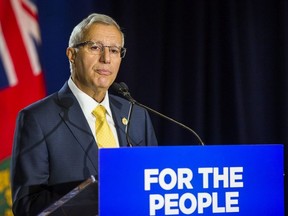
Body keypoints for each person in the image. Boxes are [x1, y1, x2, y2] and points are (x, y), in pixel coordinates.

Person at [10, 13, 158, 215]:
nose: (106, 59)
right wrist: (89, 194)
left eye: (114, 50)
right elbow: (26, 206)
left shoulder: (136, 114)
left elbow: (154, 186)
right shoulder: (38, 119)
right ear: (72, 54)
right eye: (95, 47)